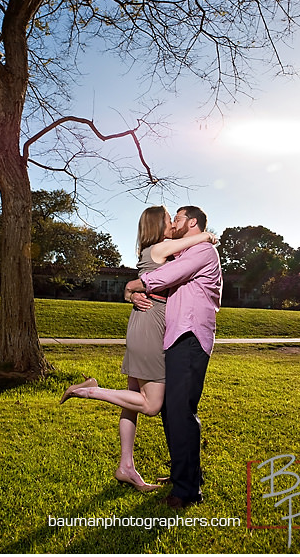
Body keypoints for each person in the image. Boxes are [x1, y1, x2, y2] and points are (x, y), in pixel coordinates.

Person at [60, 207, 215, 493]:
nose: (173, 223)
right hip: (151, 325)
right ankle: (89, 390)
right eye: (170, 219)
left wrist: (130, 292)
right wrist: (206, 234)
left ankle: (126, 467)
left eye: (177, 219)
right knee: (152, 405)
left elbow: (149, 279)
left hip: (144, 322)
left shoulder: (158, 250)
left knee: (131, 400)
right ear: (160, 225)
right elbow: (184, 249)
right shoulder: (165, 247)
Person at [125, 205, 222, 509]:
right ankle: (187, 473)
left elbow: (165, 276)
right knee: (172, 409)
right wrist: (134, 294)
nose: (174, 222)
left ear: (191, 222)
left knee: (180, 411)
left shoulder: (202, 251)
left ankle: (187, 491)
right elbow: (159, 279)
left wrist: (133, 286)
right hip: (175, 337)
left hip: (190, 337)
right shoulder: (183, 253)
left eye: (178, 218)